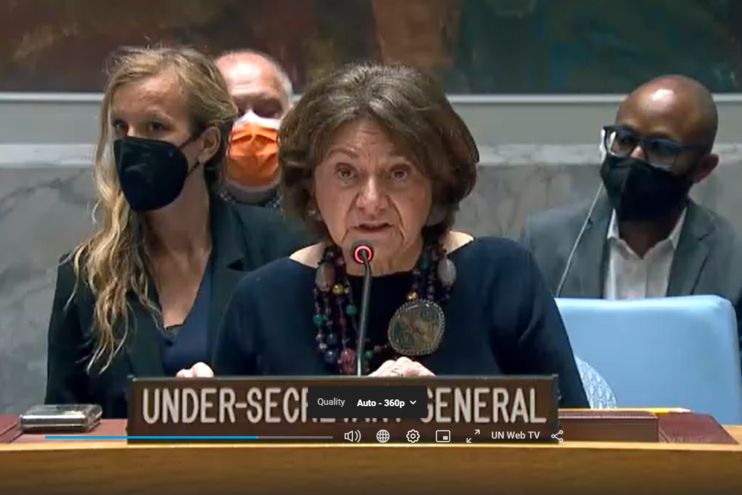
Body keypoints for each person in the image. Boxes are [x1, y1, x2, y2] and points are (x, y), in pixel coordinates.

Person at [178, 62, 589, 408]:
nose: (371, 202)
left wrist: (446, 410)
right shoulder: (263, 299)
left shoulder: (502, 277)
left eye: (398, 173)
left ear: (437, 184)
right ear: (311, 187)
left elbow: (573, 433)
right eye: (346, 173)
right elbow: (231, 460)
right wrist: (200, 417)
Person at [45, 46, 311, 418]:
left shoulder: (284, 250)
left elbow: (318, 396)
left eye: (155, 127)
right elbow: (59, 425)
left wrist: (234, 401)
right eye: (121, 127)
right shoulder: (86, 275)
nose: (132, 143)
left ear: (207, 143)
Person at [519, 75, 742, 346]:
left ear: (703, 167)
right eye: (624, 140)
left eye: (660, 148)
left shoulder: (733, 260)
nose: (635, 157)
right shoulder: (543, 244)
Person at [215, 50, 293, 208]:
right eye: (232, 114)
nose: (251, 126)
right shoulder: (179, 209)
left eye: (267, 112)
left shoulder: (323, 204)